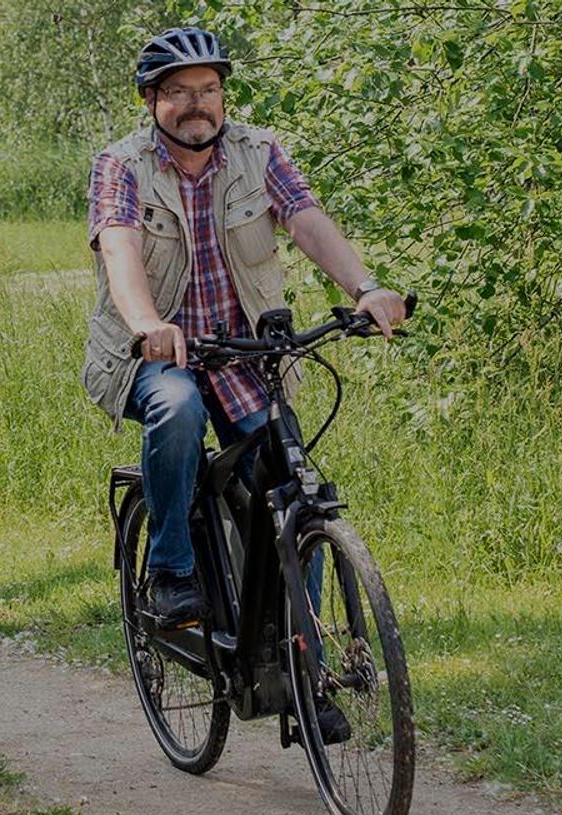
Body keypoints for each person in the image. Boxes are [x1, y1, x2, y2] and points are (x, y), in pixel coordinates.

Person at [82, 27, 407, 629]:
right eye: (178, 91)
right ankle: (172, 570)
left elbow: (306, 220)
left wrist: (365, 288)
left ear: (224, 97)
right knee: (177, 409)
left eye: (208, 89)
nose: (196, 103)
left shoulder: (259, 153)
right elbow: (119, 251)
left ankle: (304, 666)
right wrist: (149, 323)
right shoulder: (121, 166)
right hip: (156, 357)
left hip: (243, 357)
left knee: (292, 490)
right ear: (151, 101)